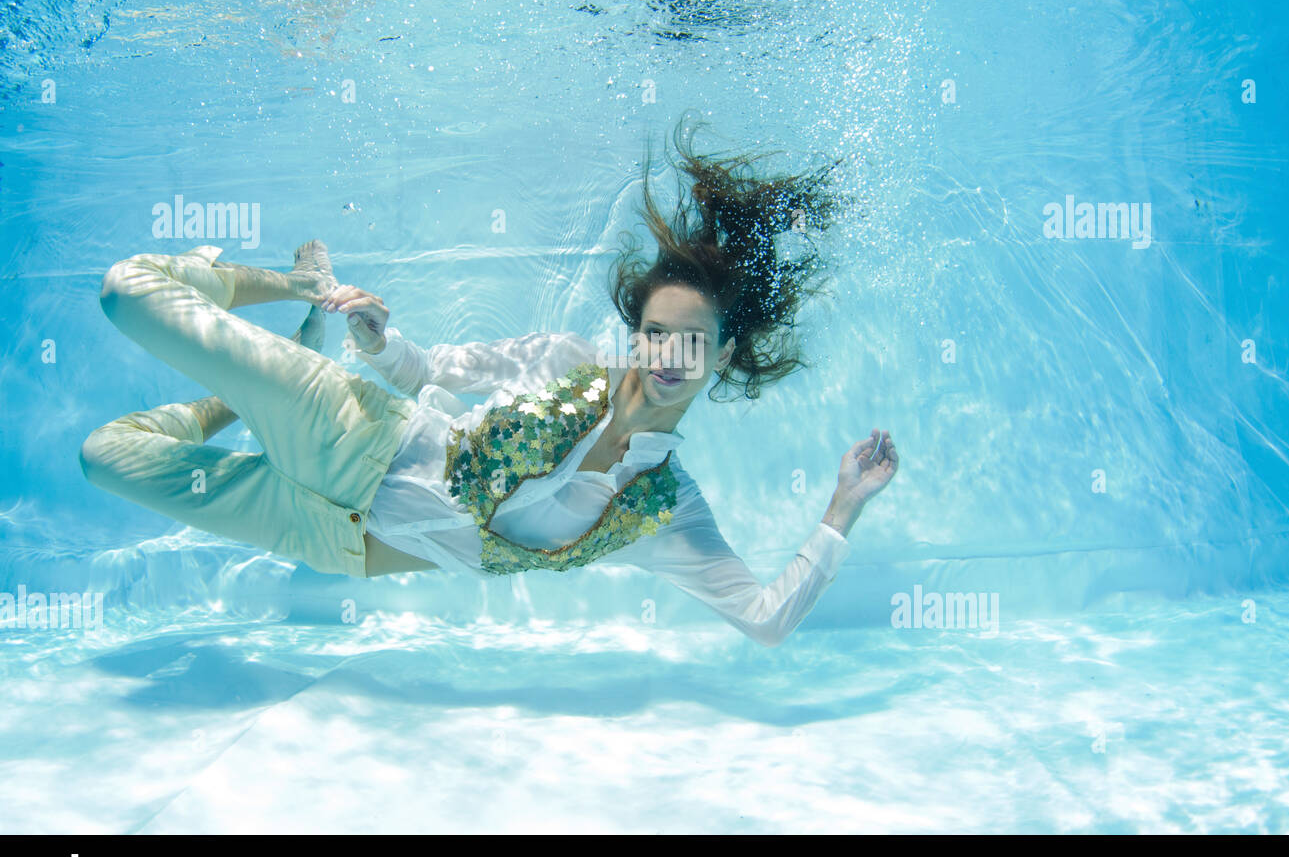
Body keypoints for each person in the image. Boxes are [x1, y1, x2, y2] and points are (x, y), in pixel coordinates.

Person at [80, 118, 898, 646]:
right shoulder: (568, 361)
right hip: (351, 433)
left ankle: (228, 402)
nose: (668, 356)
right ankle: (294, 290)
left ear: (720, 358)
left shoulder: (668, 512)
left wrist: (841, 508)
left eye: (692, 342)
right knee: (129, 291)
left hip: (345, 546)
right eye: (655, 334)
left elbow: (763, 618)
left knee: (105, 457)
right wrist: (374, 335)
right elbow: (428, 370)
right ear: (635, 336)